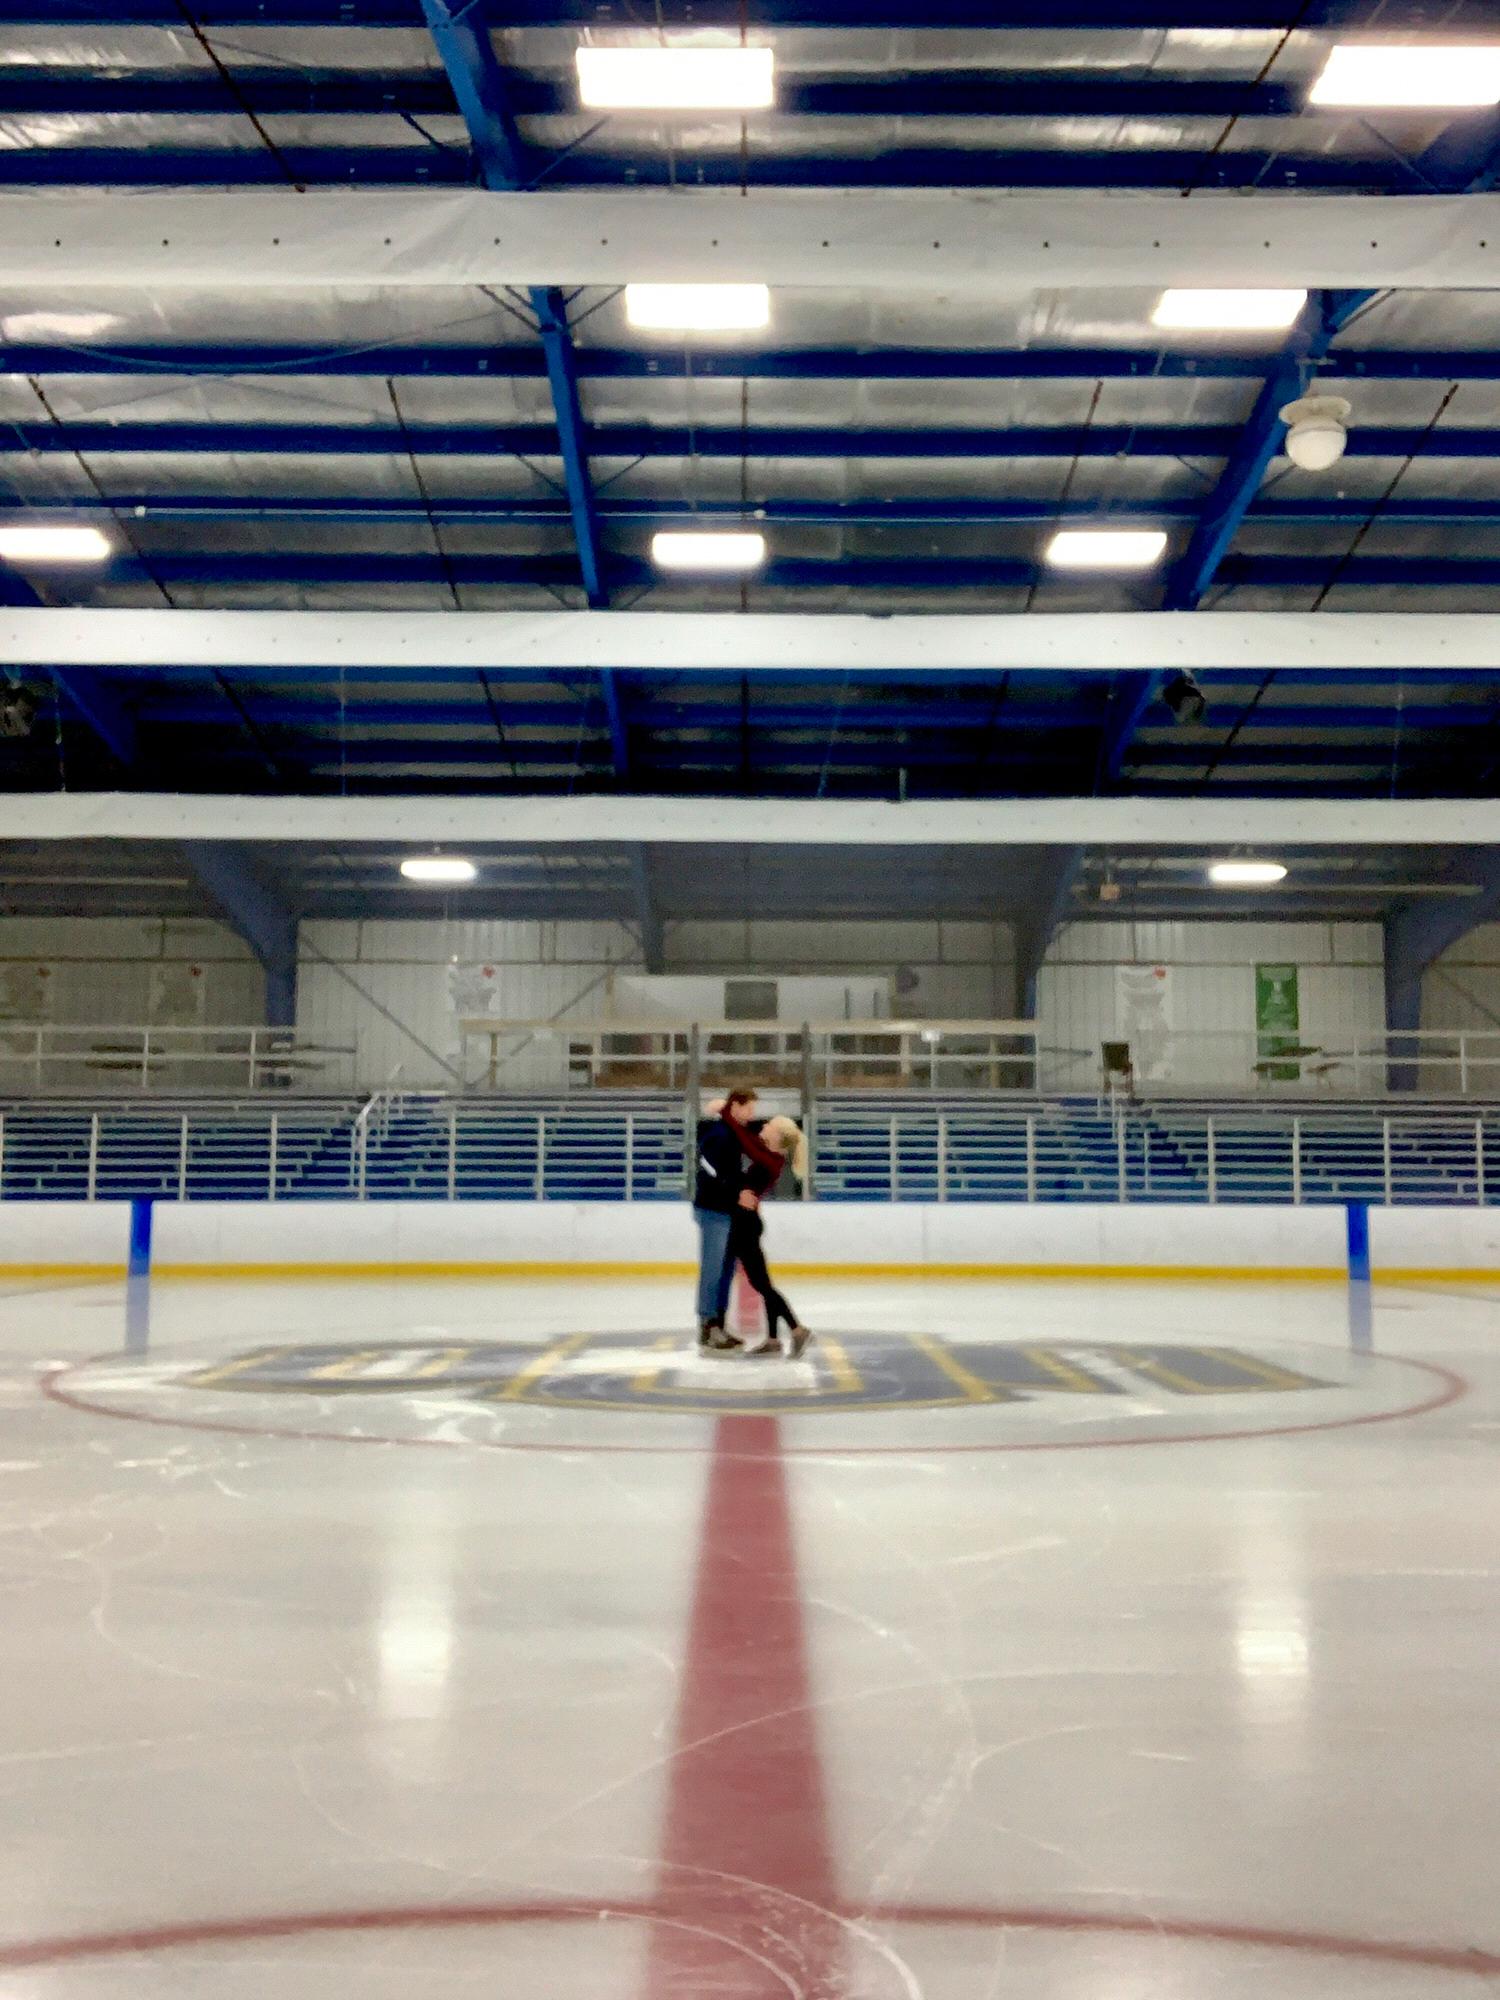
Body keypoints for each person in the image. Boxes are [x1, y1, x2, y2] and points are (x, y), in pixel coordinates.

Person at [691, 1088, 785, 1349]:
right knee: (713, 1269)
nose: (752, 1115)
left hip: (727, 1210)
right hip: (713, 1210)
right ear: (737, 1106)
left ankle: (718, 1323)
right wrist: (737, 1192)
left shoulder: (734, 1134)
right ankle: (707, 1325)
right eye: (749, 1109)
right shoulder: (720, 1134)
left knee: (724, 1270)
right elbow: (708, 1167)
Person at [732, 1114, 812, 1359]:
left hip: (746, 1225)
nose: (763, 1126)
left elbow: (744, 1144)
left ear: (777, 1136)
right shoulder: (771, 1158)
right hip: (747, 1222)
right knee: (762, 1283)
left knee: (763, 1285)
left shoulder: (770, 1160)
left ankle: (797, 1329)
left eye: (769, 1125)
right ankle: (774, 1339)